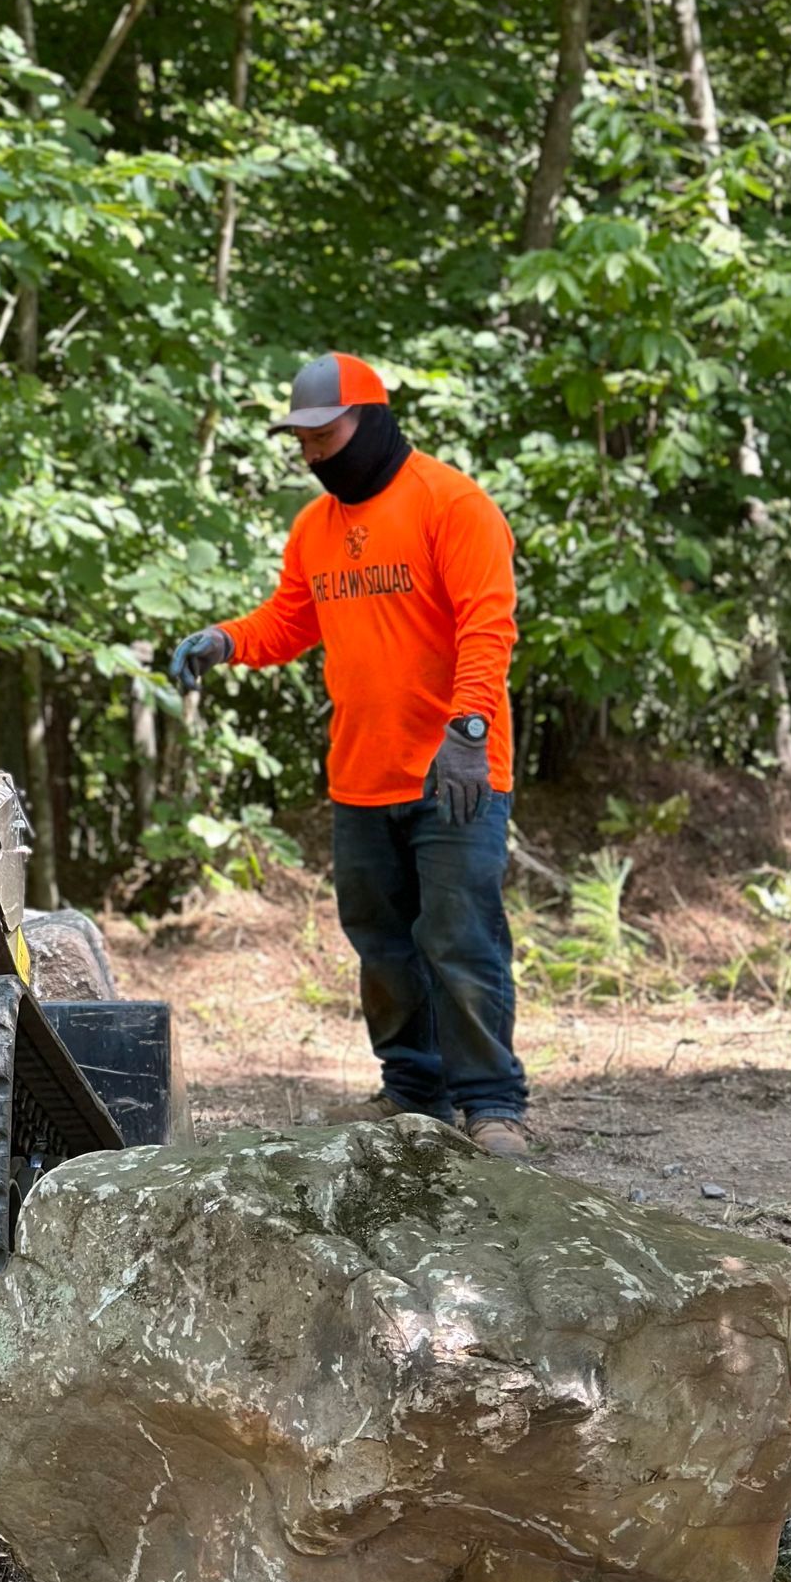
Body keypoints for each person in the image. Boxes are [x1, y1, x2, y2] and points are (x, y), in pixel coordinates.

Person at [171, 354, 530, 1159]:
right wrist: (225, 640)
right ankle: (413, 1095)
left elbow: (488, 625)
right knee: (383, 944)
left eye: (322, 434)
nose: (310, 453)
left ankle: (493, 1106)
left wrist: (468, 732)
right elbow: (291, 621)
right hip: (362, 776)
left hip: (456, 775)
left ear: (370, 418)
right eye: (299, 439)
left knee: (460, 937)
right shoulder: (316, 528)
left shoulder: (451, 503)